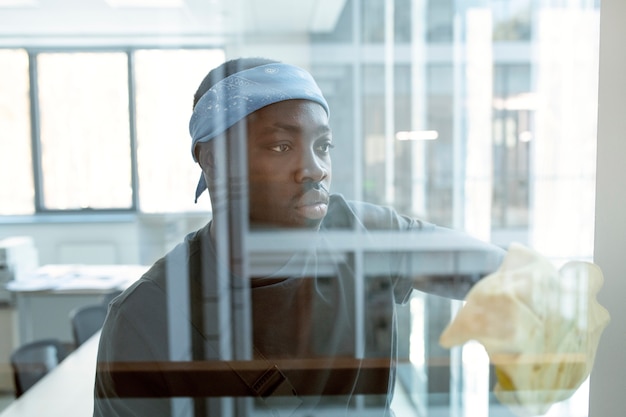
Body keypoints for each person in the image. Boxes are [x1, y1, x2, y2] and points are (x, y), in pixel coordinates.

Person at [93, 57, 504, 417]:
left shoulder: (363, 236)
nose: (314, 169)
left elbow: (505, 276)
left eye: (322, 145)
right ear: (213, 161)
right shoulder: (147, 317)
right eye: (281, 146)